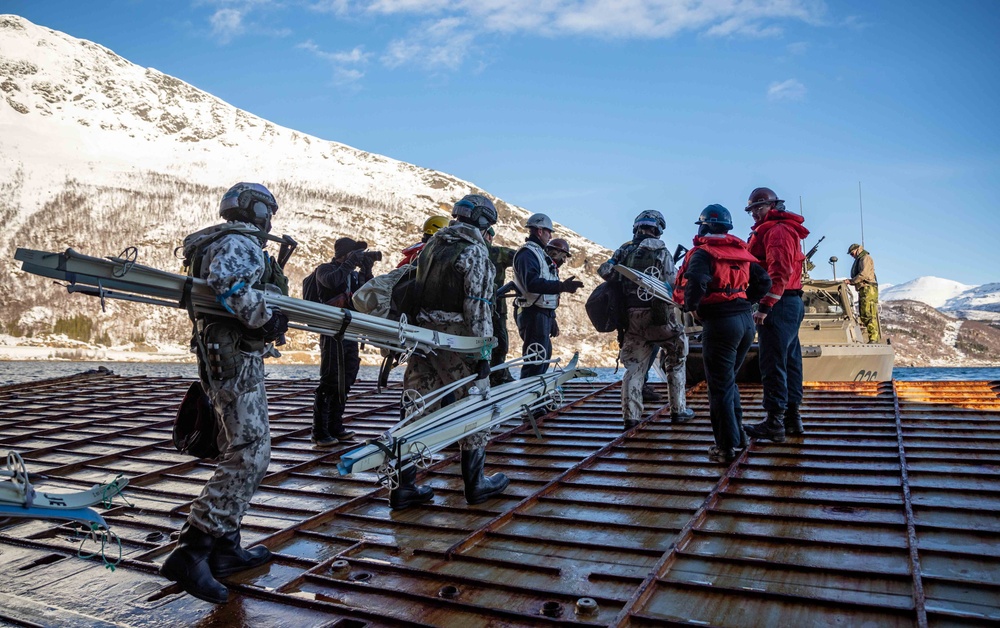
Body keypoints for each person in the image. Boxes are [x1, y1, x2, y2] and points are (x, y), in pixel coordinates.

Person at [162, 182, 290, 604]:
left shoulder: (217, 240)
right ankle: (192, 549)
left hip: (222, 355)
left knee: (235, 445)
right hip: (234, 358)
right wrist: (265, 319)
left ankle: (225, 548)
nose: (270, 217)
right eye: (267, 209)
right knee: (251, 451)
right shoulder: (239, 241)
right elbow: (230, 282)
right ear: (255, 210)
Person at [388, 194, 509, 509]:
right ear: (483, 222)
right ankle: (476, 483)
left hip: (423, 338)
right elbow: (478, 309)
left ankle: (405, 487)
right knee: (476, 405)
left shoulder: (430, 249)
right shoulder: (475, 253)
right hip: (459, 342)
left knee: (416, 405)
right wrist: (484, 355)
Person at [678, 205, 771, 463]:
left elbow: (695, 281)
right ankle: (738, 437)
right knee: (728, 381)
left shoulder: (703, 253)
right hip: (744, 322)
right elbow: (764, 282)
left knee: (718, 388)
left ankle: (725, 447)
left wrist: (692, 308)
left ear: (703, 226)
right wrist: (744, 301)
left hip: (720, 323)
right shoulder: (740, 251)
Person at [598, 210, 695, 429]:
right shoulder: (662, 251)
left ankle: (631, 417)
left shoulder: (624, 250)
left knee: (633, 369)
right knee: (677, 358)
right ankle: (678, 410)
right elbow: (671, 283)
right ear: (659, 228)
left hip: (632, 318)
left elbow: (604, 271)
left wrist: (616, 262)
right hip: (661, 317)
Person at [742, 187, 810, 442]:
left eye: (758, 209)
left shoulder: (777, 231)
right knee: (790, 362)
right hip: (790, 302)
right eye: (752, 210)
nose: (754, 215)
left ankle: (774, 423)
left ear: (772, 206)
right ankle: (792, 419)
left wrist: (765, 306)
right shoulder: (782, 229)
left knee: (772, 364)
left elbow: (779, 270)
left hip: (779, 304)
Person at [308, 237, 382, 447]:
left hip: (351, 332)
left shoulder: (352, 275)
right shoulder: (325, 270)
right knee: (330, 379)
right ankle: (319, 431)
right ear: (344, 253)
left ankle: (336, 427)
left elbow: (367, 294)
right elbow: (331, 282)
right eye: (354, 253)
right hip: (331, 332)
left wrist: (367, 269)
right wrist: (349, 263)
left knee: (346, 379)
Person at [512, 214, 584, 379]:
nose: (550, 236)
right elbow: (532, 284)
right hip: (532, 313)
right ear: (539, 231)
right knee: (536, 360)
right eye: (548, 232)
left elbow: (544, 292)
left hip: (541, 314)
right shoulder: (527, 254)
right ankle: (528, 398)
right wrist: (562, 287)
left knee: (542, 357)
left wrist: (551, 318)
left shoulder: (539, 255)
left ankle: (534, 398)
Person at [485, 226, 517, 385]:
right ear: (490, 237)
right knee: (500, 343)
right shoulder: (497, 253)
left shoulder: (466, 251)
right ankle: (499, 375)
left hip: (471, 306)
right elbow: (521, 258)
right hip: (496, 307)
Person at [847, 243, 881, 343]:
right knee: (864, 314)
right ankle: (872, 337)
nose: (852, 256)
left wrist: (852, 281)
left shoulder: (865, 258)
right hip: (863, 288)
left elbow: (864, 274)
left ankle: (873, 338)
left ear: (858, 250)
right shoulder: (860, 259)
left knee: (869, 313)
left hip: (868, 288)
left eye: (852, 253)